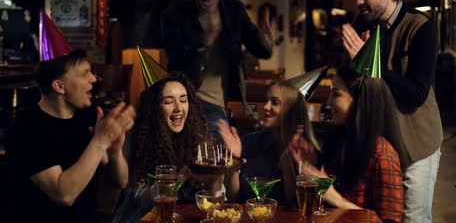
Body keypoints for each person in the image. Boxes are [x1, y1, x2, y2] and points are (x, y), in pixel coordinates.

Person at [342, 0, 443, 222]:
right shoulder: (363, 24)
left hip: (417, 142)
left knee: (413, 219)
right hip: (380, 146)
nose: (358, 1)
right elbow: (355, 85)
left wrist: (368, 62)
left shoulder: (421, 26)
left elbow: (416, 94)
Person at [7, 49, 135, 223]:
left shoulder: (87, 117)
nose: (94, 79)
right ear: (59, 86)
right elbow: (64, 195)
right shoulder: (26, 130)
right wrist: (100, 140)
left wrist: (115, 150)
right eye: (85, 74)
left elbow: (120, 181)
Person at [160, 0, 275, 142]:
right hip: (190, 101)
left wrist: (267, 41)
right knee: (215, 154)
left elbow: (261, 50)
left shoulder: (234, 11)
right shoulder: (174, 15)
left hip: (229, 103)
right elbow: (176, 61)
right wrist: (204, 44)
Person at [289, 66, 408, 222]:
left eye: (336, 94)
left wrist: (335, 199)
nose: (328, 101)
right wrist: (313, 165)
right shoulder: (341, 139)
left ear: (361, 100)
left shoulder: (382, 154)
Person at [112, 72, 211, 223]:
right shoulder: (137, 141)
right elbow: (140, 200)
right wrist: (181, 177)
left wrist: (218, 176)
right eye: (168, 101)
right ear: (155, 107)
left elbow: (209, 199)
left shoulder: (197, 140)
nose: (178, 108)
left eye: (183, 100)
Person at [220, 81, 320, 206]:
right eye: (266, 100)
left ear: (292, 110)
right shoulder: (249, 142)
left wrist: (287, 165)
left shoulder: (306, 150)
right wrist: (234, 163)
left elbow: (297, 205)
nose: (266, 106)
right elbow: (234, 198)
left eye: (275, 102)